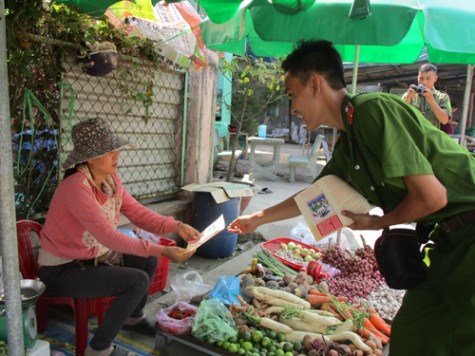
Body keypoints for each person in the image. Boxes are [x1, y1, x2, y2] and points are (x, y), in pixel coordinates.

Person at [228, 40, 475, 355]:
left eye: (293, 96)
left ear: (315, 84)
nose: (293, 108)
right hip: (447, 242)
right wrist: (258, 218)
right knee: (412, 336)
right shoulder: (350, 143)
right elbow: (313, 198)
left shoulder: (373, 111)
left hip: (470, 235)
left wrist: (378, 222)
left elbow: (432, 197)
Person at [37, 118, 200, 356]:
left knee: (147, 261)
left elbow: (137, 213)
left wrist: (177, 224)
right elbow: (108, 236)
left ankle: (133, 318)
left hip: (91, 259)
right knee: (136, 280)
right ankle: (98, 349)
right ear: (90, 158)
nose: (116, 154)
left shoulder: (110, 182)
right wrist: (162, 249)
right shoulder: (75, 187)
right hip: (62, 269)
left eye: (115, 148)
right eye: (108, 151)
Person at [402, 63, 452, 130]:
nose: (424, 82)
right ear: (417, 77)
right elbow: (399, 115)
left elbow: (444, 120)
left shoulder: (442, 97)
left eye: (428, 78)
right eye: (421, 78)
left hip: (431, 138)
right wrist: (407, 100)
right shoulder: (409, 95)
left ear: (435, 78)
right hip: (412, 137)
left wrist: (432, 101)